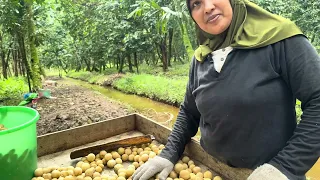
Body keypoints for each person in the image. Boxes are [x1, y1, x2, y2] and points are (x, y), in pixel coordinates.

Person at [132, 0, 320, 179]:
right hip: (210, 169)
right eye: (196, 4)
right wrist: (168, 154)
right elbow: (189, 113)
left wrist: (286, 167)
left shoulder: (281, 40)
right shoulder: (200, 58)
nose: (207, 8)